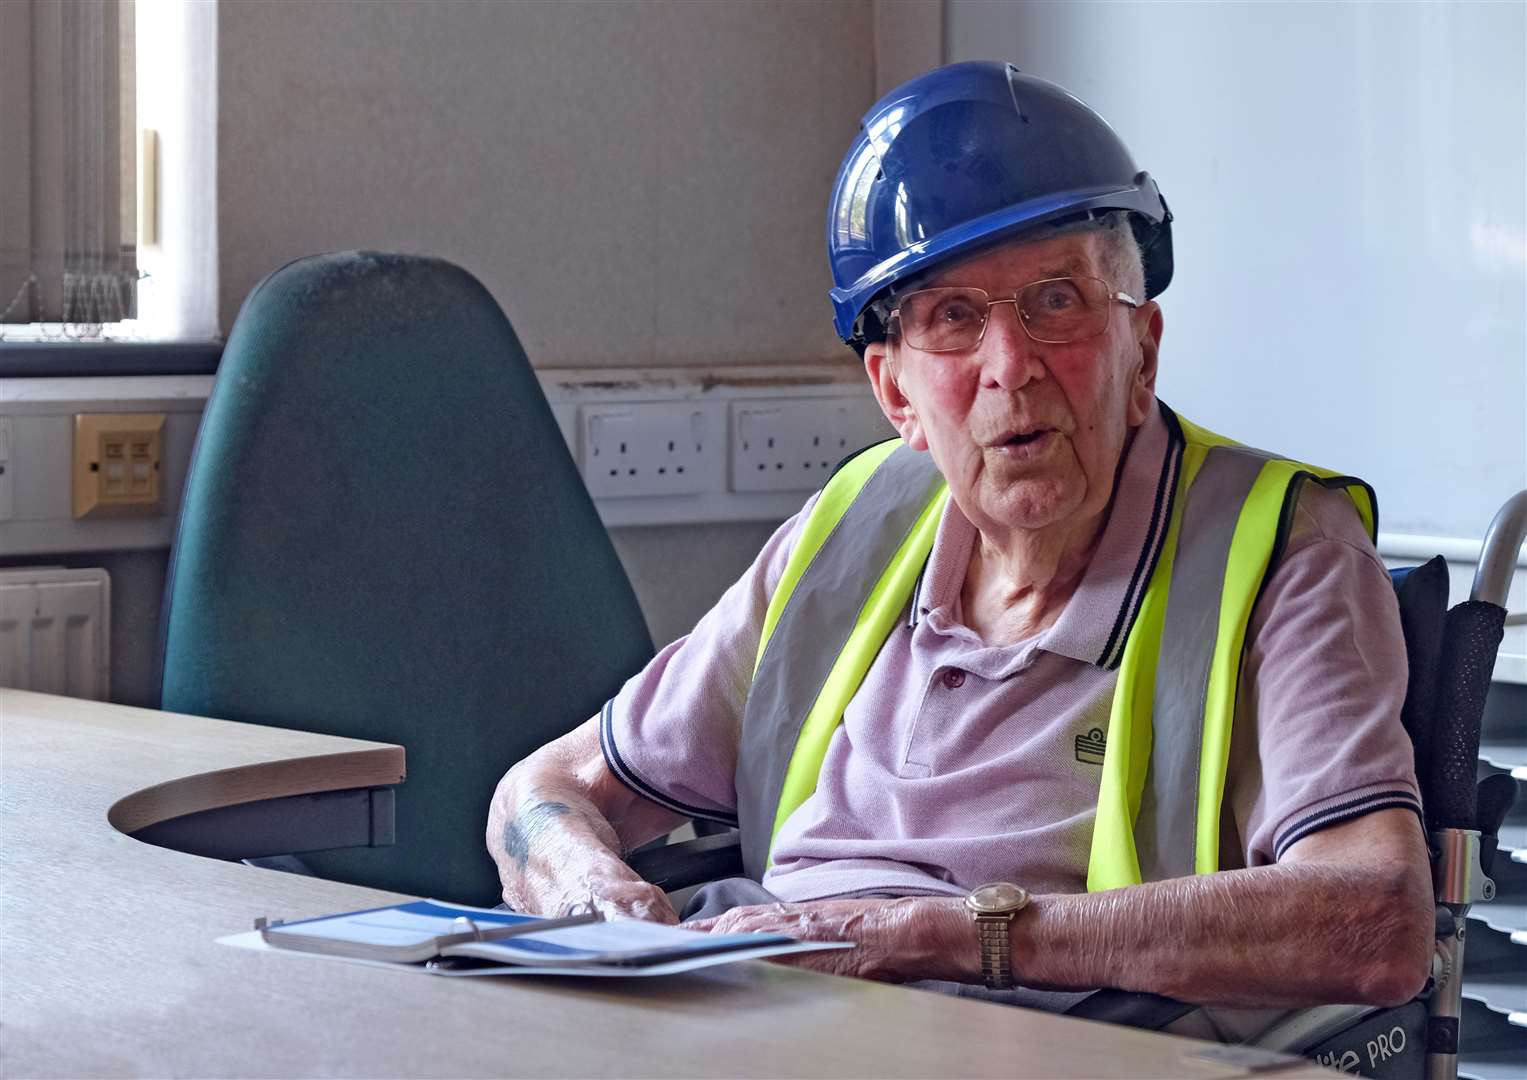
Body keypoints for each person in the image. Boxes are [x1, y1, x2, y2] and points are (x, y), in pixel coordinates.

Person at [486, 62, 1432, 1017]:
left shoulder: (1282, 547)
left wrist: (940, 937)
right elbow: (546, 790)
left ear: (1139, 349)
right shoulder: (853, 525)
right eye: (951, 318)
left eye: (1056, 301)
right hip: (751, 1011)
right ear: (895, 392)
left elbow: (1374, 921)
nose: (1010, 368)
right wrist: (591, 903)